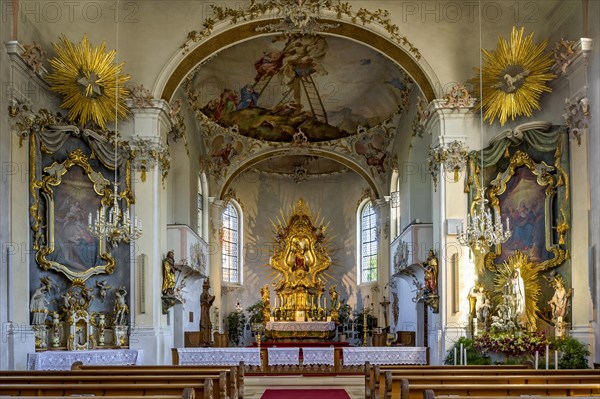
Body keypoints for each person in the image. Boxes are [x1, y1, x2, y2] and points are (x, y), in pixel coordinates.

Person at [200, 278, 216, 343]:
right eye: (207, 288)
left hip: (206, 313)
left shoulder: (207, 296)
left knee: (208, 324)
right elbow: (204, 301)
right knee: (204, 324)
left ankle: (207, 340)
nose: (208, 289)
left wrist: (209, 300)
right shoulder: (203, 295)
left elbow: (209, 301)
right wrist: (207, 300)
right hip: (204, 314)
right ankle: (205, 340)